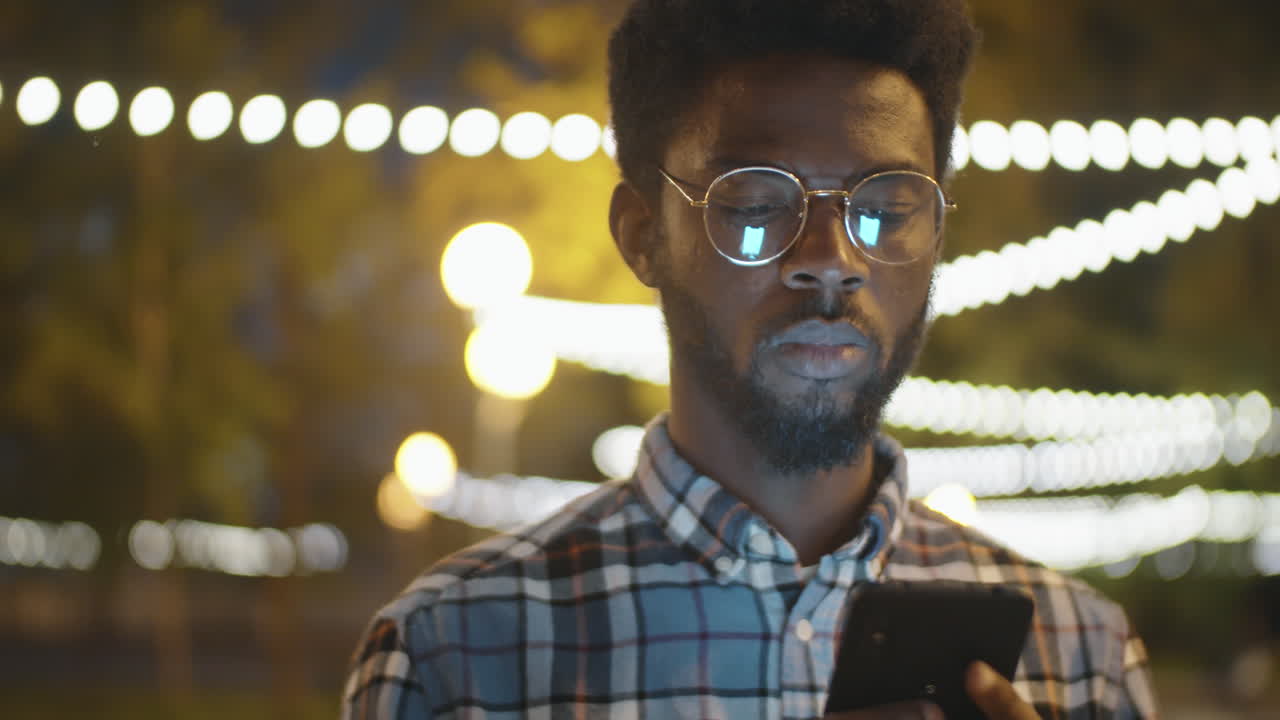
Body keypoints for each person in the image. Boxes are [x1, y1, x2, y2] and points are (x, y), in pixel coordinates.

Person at [343, 0, 1158, 717]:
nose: (832, 256)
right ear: (642, 234)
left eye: (884, 206)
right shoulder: (459, 659)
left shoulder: (1077, 660)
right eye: (760, 203)